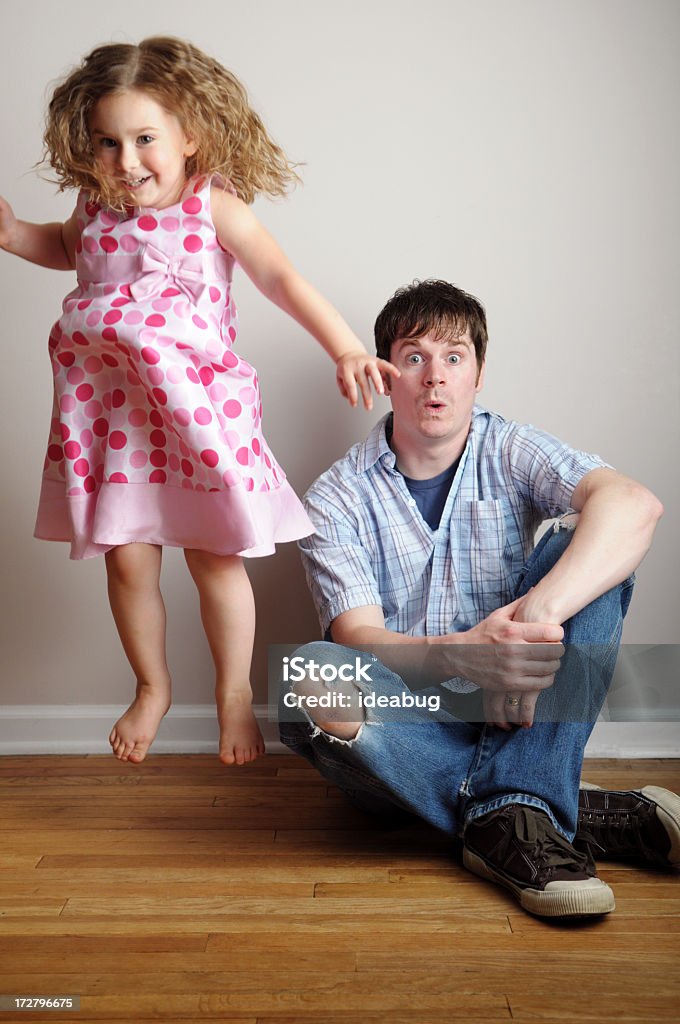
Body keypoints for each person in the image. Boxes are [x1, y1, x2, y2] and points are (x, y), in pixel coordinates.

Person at [0, 37, 398, 767]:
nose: (126, 161)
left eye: (144, 139)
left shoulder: (211, 205)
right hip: (114, 419)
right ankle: (151, 686)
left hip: (198, 413)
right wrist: (12, 234)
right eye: (107, 143)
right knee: (127, 561)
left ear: (190, 135)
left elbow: (280, 279)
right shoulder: (92, 209)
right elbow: (62, 246)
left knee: (217, 559)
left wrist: (343, 345)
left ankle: (234, 695)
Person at [280, 279, 678, 919]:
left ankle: (516, 813)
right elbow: (356, 638)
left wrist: (540, 615)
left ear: (478, 375)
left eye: (453, 357)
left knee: (594, 546)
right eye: (413, 357)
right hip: (407, 725)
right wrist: (463, 657)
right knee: (308, 677)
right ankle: (545, 803)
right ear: (387, 374)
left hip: (519, 707)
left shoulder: (509, 447)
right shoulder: (335, 496)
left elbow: (636, 504)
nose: (434, 378)